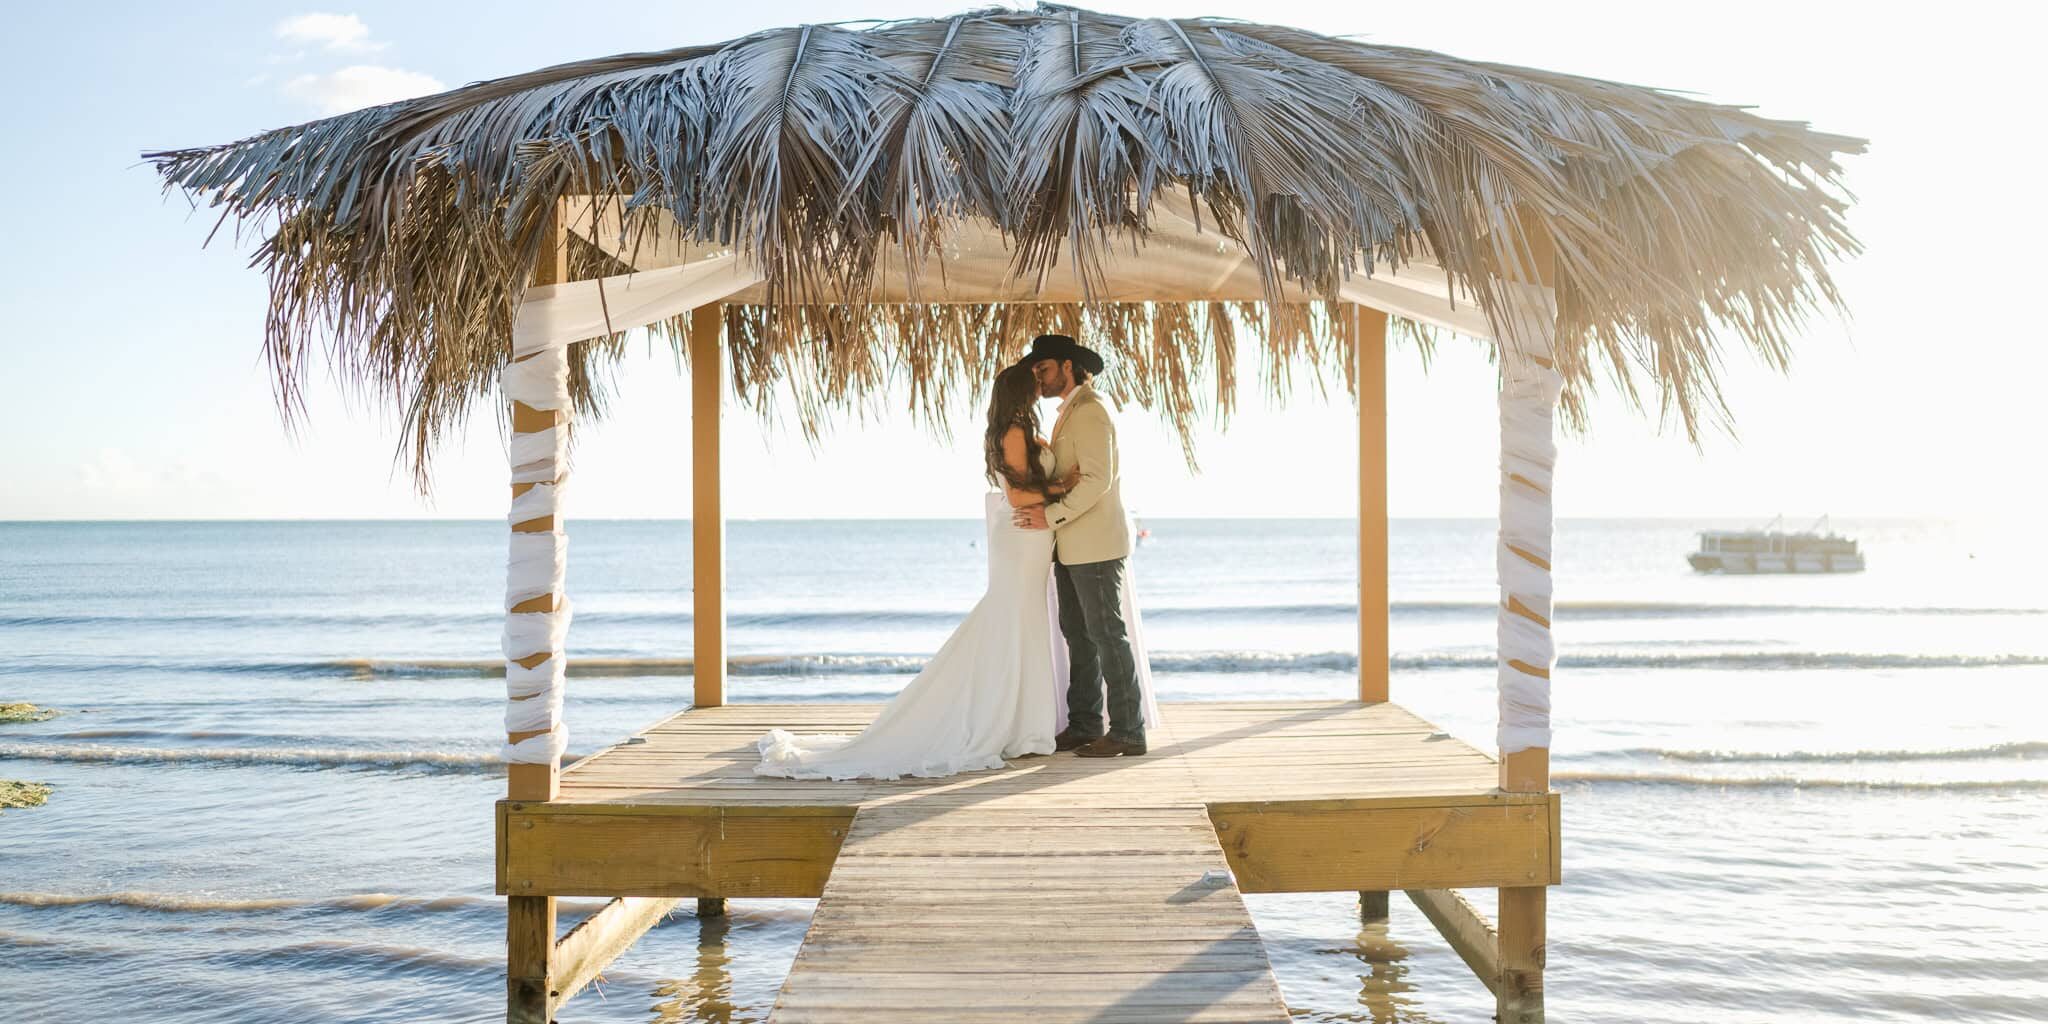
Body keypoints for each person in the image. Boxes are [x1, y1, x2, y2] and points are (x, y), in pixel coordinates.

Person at [753, 362, 1082, 780]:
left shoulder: (1019, 429)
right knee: (1013, 620)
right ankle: (1012, 726)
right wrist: (1063, 486)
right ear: (1019, 391)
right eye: (1033, 383)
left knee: (1022, 622)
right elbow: (1018, 496)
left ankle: (1023, 724)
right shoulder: (1014, 432)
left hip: (1031, 538)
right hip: (1021, 535)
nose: (1040, 387)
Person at [1011, 334, 1148, 758]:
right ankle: (1086, 723)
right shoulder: (1069, 412)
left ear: (1068, 366)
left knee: (1107, 635)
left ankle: (1129, 731)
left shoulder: (1090, 411)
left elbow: (1096, 480)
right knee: (1078, 634)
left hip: (1096, 545)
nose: (1039, 378)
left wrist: (1049, 516)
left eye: (1045, 369)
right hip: (1071, 546)